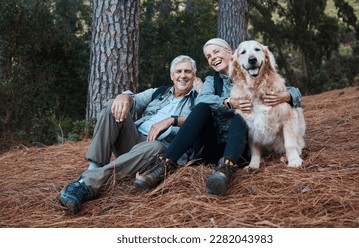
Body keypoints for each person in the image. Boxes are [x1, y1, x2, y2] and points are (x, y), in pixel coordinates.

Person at [133, 38, 302, 195]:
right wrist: (229, 102)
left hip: (238, 148)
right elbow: (203, 99)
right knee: (202, 108)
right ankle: (163, 166)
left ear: (230, 53)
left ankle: (224, 171)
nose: (212, 58)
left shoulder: (250, 74)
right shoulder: (211, 81)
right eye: (208, 56)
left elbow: (284, 86)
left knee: (241, 116)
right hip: (210, 145)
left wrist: (288, 96)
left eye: (216, 52)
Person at [58, 55, 199, 214]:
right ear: (172, 75)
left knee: (156, 146)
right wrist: (124, 96)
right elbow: (134, 100)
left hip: (158, 152)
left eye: (188, 71)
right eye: (178, 71)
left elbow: (201, 122)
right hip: (134, 140)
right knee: (113, 105)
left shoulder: (198, 100)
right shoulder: (159, 92)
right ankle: (94, 168)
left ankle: (86, 184)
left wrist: (171, 120)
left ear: (194, 76)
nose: (183, 75)